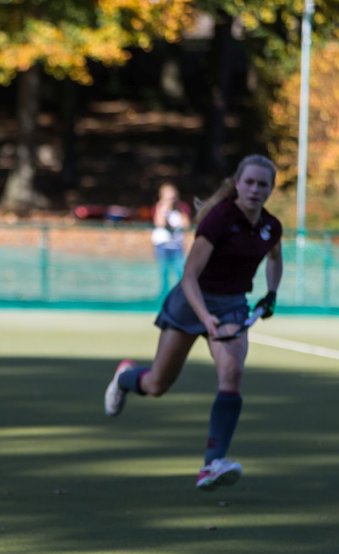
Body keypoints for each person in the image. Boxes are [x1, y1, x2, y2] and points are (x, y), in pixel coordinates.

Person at [103, 154, 283, 491]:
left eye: (263, 184)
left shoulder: (270, 226)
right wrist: (206, 319)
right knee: (157, 384)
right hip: (192, 302)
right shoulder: (218, 219)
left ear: (271, 189)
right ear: (238, 183)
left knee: (232, 375)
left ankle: (212, 465)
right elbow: (189, 276)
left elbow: (275, 258)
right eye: (250, 182)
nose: (256, 189)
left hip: (231, 305)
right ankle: (126, 378)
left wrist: (271, 293)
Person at [151, 182, 190, 296]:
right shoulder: (158, 207)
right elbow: (159, 223)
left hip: (177, 246)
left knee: (180, 272)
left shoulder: (182, 208)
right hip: (162, 246)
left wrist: (178, 208)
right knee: (164, 272)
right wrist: (164, 207)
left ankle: (182, 295)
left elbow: (186, 225)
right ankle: (163, 295)